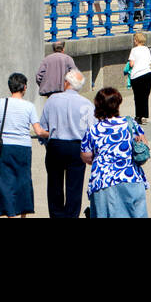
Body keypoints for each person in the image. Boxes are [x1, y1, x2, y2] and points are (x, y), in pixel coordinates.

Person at [79, 86, 147, 218]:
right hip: (131, 178)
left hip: (104, 180)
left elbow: (86, 156)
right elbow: (143, 145)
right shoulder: (131, 124)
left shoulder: (93, 129)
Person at [0, 72, 45, 217]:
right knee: (23, 181)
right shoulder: (29, 106)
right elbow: (38, 131)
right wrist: (50, 134)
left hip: (4, 148)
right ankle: (23, 215)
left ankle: (10, 215)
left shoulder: (1, 103)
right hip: (23, 148)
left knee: (5, 183)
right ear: (24, 87)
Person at [38, 69, 92, 218]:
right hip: (77, 146)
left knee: (54, 185)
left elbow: (43, 127)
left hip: (56, 144)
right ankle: (72, 215)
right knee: (74, 186)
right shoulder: (86, 103)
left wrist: (45, 142)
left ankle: (56, 215)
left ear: (67, 82)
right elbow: (92, 130)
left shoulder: (53, 100)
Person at [126, 31, 151, 124]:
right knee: (145, 96)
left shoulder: (134, 50)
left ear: (136, 40)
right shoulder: (149, 49)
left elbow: (131, 64)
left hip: (136, 75)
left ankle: (138, 116)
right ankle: (144, 116)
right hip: (148, 74)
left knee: (137, 96)